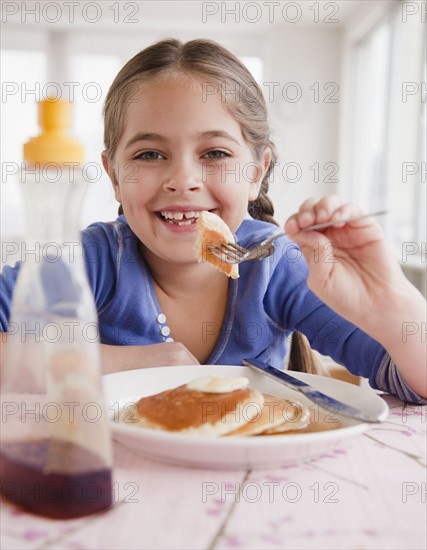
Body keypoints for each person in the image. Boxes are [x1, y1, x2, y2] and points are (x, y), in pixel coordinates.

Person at [0, 38, 425, 403]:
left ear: (256, 172)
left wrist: (388, 300)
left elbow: (416, 383)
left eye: (215, 154)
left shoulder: (279, 266)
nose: (182, 180)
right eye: (149, 154)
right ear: (114, 175)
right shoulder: (88, 261)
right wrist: (122, 363)